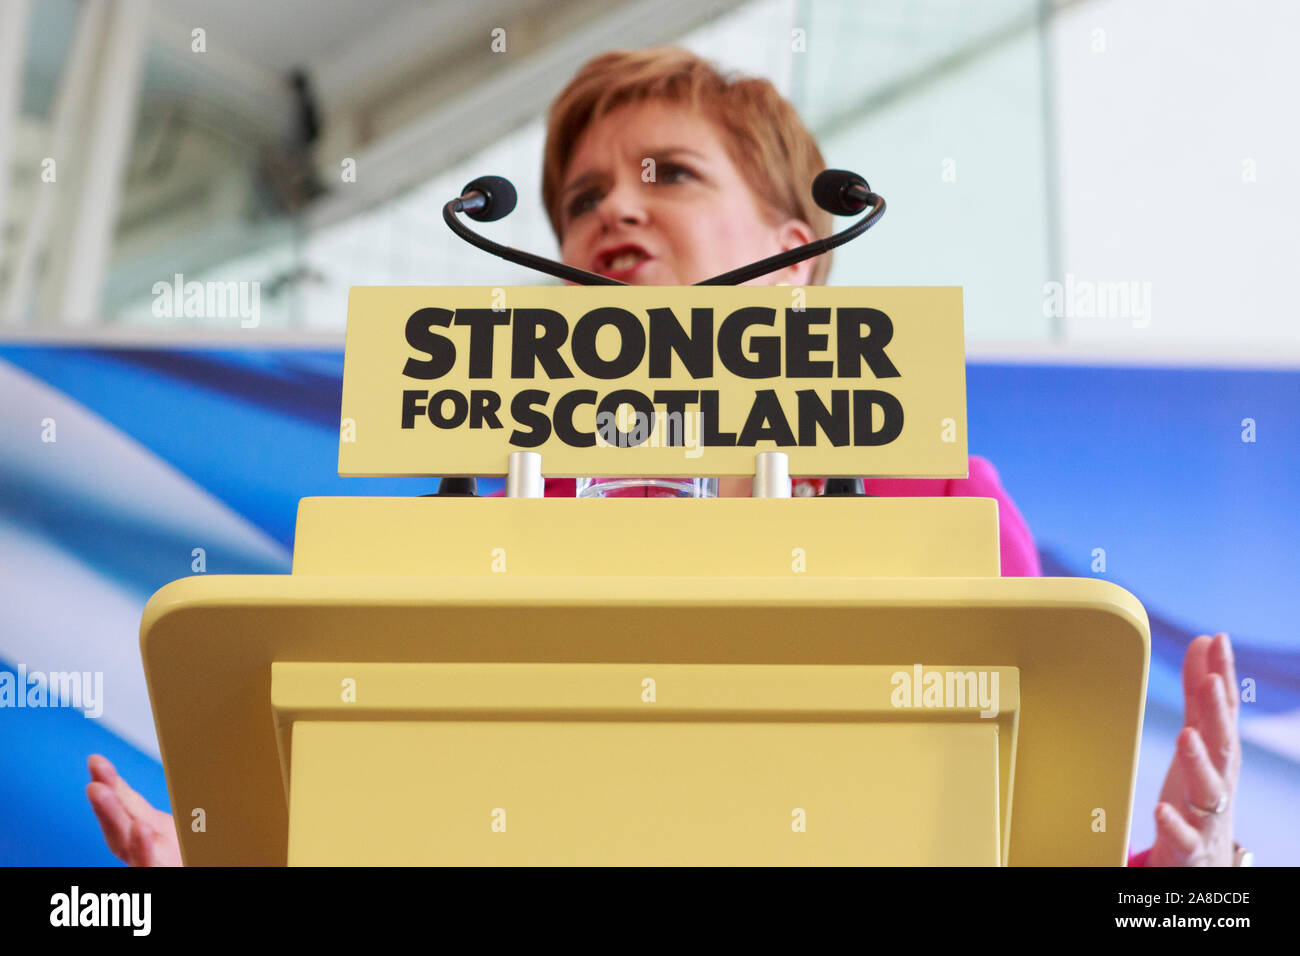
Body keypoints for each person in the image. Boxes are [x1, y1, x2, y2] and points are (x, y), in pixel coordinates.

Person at [87, 47, 1242, 867]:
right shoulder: (462, 523)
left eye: (668, 174)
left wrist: (1177, 884)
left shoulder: (928, 495)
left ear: (796, 257)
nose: (609, 215)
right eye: (582, 197)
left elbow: (1012, 836)